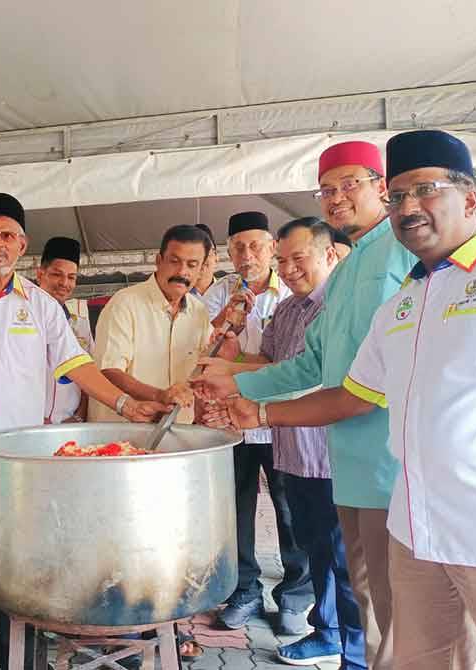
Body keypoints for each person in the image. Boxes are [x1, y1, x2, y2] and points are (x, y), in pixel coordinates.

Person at [203, 129, 476, 669]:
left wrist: (251, 399)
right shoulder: (400, 293)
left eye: (425, 190)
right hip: (402, 510)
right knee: (393, 631)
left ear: (471, 199)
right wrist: (249, 398)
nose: (410, 207)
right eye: (401, 195)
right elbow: (338, 378)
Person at [0, 192, 168, 670]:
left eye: (7, 236)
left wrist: (126, 404)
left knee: (19, 568)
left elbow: (77, 366)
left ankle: (20, 658)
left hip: (19, 470)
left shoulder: (42, 306)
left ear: (22, 245)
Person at [192, 141, 415, 668]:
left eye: (350, 184)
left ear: (382, 187)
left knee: (394, 611)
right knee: (363, 596)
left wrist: (259, 410)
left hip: (392, 467)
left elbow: (366, 388)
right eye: (327, 189)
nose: (337, 197)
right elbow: (309, 363)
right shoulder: (349, 270)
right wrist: (235, 383)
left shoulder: (402, 249)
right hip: (349, 467)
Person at [202, 218, 364, 666]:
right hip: (290, 449)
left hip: (329, 452)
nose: (290, 269)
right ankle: (326, 630)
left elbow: (307, 375)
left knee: (344, 558)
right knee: (314, 543)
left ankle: (354, 652)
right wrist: (232, 361)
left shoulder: (343, 307)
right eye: (284, 261)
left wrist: (237, 382)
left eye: (299, 259)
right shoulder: (288, 310)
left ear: (329, 255)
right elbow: (270, 362)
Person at [201, 212, 310, 633]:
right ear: (228, 253)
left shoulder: (293, 290)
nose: (247, 255)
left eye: (255, 246)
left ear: (271, 248)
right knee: (235, 508)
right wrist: (225, 320)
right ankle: (244, 590)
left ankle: (295, 596)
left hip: (280, 418)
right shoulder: (218, 294)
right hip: (230, 421)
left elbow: (294, 361)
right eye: (238, 248)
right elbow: (202, 348)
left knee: (289, 507)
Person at [87, 224, 211, 425]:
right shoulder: (125, 303)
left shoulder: (199, 312)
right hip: (123, 431)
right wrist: (159, 395)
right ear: (159, 261)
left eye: (192, 265)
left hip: (179, 430)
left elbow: (204, 367)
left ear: (202, 269)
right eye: (174, 261)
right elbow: (109, 371)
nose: (182, 271)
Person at [37, 236, 95, 423]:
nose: (64, 283)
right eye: (57, 274)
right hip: (27, 424)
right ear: (40, 274)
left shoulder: (80, 325)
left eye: (71, 277)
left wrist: (79, 417)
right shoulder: (20, 322)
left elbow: (89, 376)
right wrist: (34, 419)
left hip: (70, 427)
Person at [190, 223, 219, 297]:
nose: (202, 258)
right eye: (195, 252)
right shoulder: (177, 295)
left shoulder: (231, 292)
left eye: (207, 250)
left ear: (216, 257)